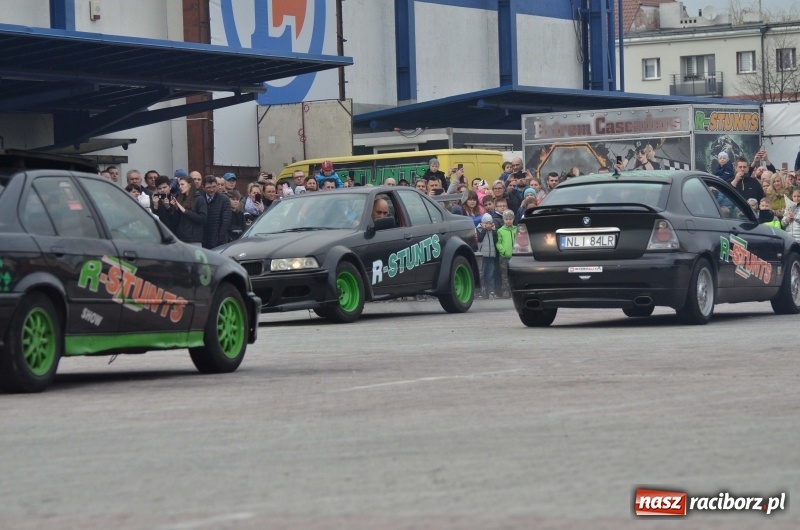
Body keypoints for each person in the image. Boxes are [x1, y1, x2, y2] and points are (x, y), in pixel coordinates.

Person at [172, 175, 207, 245]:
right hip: (181, 239)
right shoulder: (180, 198)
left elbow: (202, 218)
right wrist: (173, 208)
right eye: (179, 185)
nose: (180, 187)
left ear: (190, 185)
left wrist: (184, 211)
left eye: (182, 184)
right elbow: (176, 221)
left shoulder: (199, 199)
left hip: (193, 240)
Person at [202, 175, 232, 249]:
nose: (212, 190)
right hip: (203, 239)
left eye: (214, 187)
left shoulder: (224, 200)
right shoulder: (200, 198)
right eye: (209, 187)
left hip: (219, 241)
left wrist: (219, 239)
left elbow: (226, 221)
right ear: (203, 187)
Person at [475, 213, 499, 299]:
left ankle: (491, 291)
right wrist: (484, 229)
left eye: (490, 223)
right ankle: (481, 291)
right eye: (487, 223)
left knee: (490, 274)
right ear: (483, 223)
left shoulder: (492, 231)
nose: (489, 225)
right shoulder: (479, 229)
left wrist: (494, 231)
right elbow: (480, 239)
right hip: (482, 255)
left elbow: (496, 240)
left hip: (491, 254)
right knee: (482, 274)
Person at [496, 210, 517, 298]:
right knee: (505, 275)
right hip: (504, 257)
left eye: (510, 219)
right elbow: (498, 243)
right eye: (506, 219)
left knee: (515, 275)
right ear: (503, 220)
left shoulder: (517, 229)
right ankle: (505, 291)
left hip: (515, 257)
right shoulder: (500, 231)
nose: (508, 221)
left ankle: (514, 291)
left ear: (513, 219)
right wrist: (503, 250)